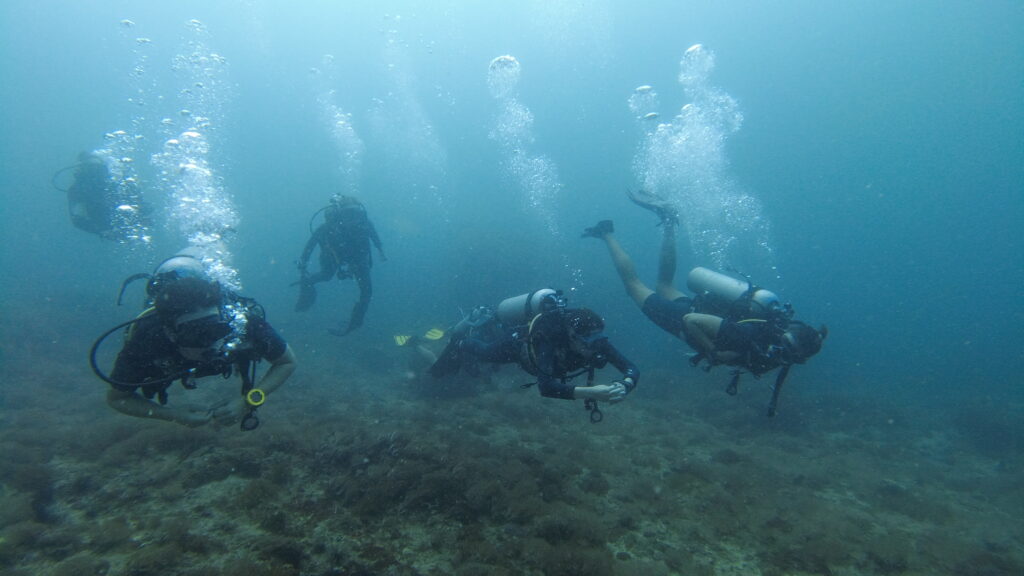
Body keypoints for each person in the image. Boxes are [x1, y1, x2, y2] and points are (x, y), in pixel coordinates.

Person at [582, 190, 826, 416]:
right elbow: (691, 321)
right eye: (785, 346)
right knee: (634, 285)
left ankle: (669, 220)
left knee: (664, 285)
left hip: (697, 312)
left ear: (798, 358)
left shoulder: (770, 352)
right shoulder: (749, 335)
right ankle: (606, 233)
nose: (781, 352)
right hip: (682, 319)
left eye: (790, 354)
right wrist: (713, 353)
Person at [91, 252, 297, 429]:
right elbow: (117, 398)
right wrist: (172, 414)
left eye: (216, 330)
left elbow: (287, 362)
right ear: (170, 333)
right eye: (196, 334)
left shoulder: (241, 322)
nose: (211, 343)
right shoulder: (148, 339)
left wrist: (248, 401)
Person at [428, 289, 639, 421]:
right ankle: (461, 339)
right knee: (485, 351)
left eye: (596, 339)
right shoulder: (549, 338)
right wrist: (591, 392)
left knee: (489, 348)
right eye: (587, 341)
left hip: (532, 354)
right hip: (517, 346)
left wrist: (625, 384)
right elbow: (546, 387)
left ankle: (487, 321)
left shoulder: (598, 342)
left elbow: (631, 368)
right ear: (572, 336)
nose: (593, 347)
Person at [294, 194, 386, 336]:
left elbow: (374, 237)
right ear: (339, 214)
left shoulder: (365, 223)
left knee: (367, 291)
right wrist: (303, 262)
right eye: (348, 213)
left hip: (357, 258)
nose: (352, 218)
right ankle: (307, 284)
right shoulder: (329, 226)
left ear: (360, 213)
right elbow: (311, 243)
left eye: (355, 213)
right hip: (333, 256)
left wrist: (380, 249)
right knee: (326, 275)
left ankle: (356, 321)